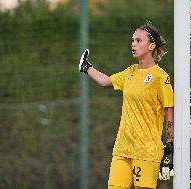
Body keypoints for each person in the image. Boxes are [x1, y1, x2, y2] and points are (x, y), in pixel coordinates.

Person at [78, 21, 174, 189]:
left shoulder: (161, 77)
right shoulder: (129, 72)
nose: (133, 44)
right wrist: (87, 67)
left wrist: (169, 147)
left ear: (151, 45)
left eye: (138, 40)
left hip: (146, 151)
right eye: (132, 41)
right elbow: (106, 81)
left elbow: (169, 111)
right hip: (122, 149)